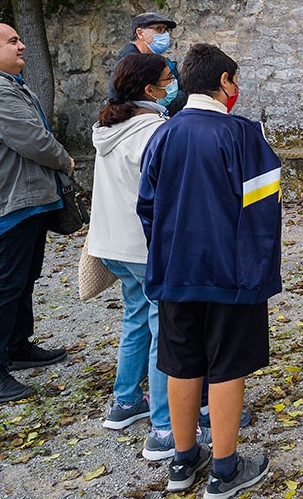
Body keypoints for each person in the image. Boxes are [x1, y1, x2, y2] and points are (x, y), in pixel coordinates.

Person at [137, 43, 280, 495]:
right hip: (230, 274)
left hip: (176, 271)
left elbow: (147, 208)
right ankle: (224, 468)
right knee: (226, 366)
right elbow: (263, 212)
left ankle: (182, 462)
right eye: (234, 80)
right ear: (224, 82)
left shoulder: (160, 134)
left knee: (181, 364)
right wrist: (259, 275)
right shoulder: (243, 135)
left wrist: (167, 254)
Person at [88, 53, 208, 459]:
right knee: (166, 332)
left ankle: (124, 402)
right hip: (145, 247)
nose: (172, 84)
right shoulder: (153, 132)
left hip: (112, 245)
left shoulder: (110, 127)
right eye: (166, 79)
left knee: (136, 317)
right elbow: (168, 194)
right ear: (149, 90)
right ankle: (164, 427)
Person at [0, 23, 74, 404]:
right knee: (7, 284)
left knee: (24, 278)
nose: (22, 45)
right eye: (12, 41)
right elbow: (33, 140)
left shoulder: (7, 82)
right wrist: (66, 160)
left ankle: (17, 346)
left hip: (24, 198)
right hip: (9, 202)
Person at [109, 12, 186, 111]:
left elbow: (184, 91)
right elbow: (120, 102)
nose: (165, 34)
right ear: (140, 33)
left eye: (166, 30)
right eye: (159, 29)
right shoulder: (128, 64)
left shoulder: (160, 61)